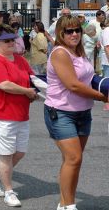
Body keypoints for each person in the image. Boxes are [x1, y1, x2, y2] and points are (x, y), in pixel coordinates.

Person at [44, 16, 107, 210]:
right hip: (60, 112)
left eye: (77, 30)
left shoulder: (79, 52)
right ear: (60, 34)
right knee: (74, 158)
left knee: (72, 161)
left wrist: (104, 86)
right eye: (69, 31)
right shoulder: (60, 53)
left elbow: (90, 77)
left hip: (82, 112)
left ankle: (64, 204)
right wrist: (103, 97)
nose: (74, 34)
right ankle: (69, 206)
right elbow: (73, 85)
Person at [0, 25, 37, 207]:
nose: (11, 43)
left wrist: (36, 90)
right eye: (7, 40)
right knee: (6, 155)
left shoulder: (21, 60)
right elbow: (4, 84)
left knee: (19, 152)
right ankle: (8, 191)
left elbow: (32, 79)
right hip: (1, 114)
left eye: (13, 39)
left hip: (21, 114)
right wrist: (27, 91)